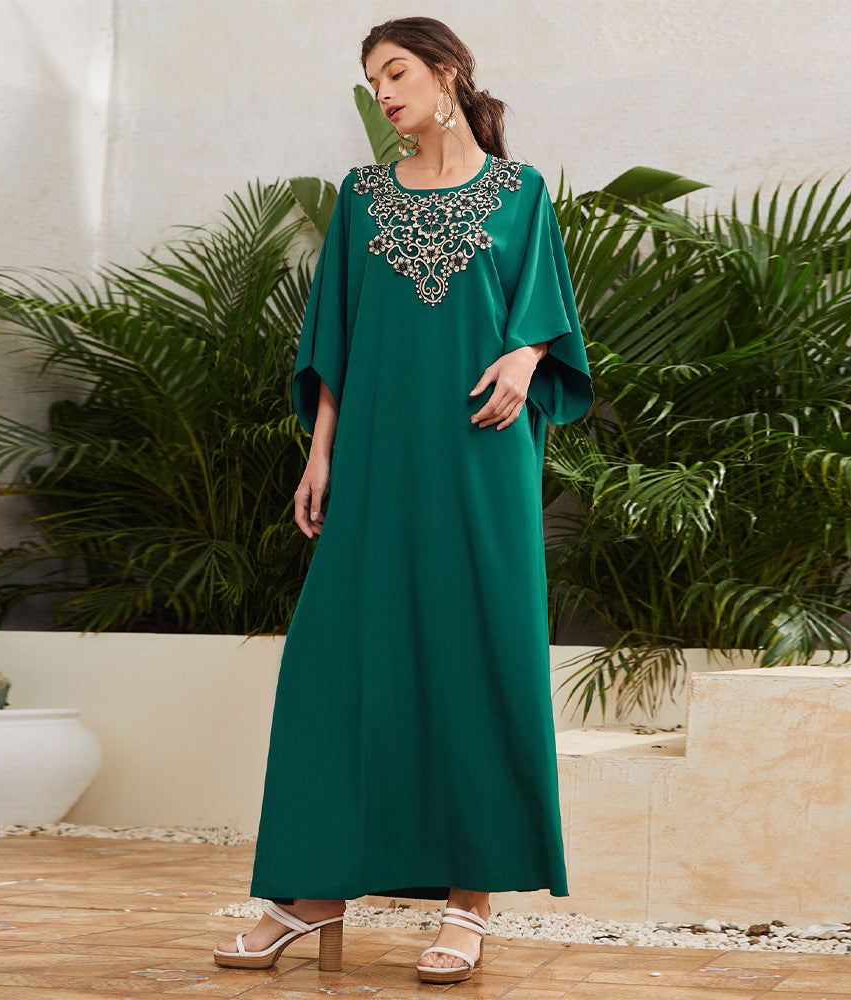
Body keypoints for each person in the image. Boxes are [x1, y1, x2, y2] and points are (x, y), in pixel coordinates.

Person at [212, 15, 593, 986]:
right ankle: (307, 895)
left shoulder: (520, 193)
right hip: (376, 458)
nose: (384, 92)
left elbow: (545, 314)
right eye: (371, 79)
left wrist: (526, 349)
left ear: (448, 73)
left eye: (396, 72)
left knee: (477, 658)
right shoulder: (363, 196)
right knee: (332, 663)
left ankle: (471, 905)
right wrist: (319, 455)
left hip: (478, 460)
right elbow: (336, 335)